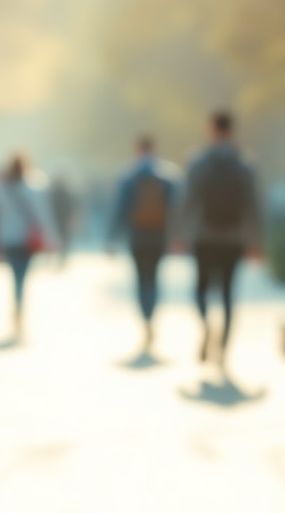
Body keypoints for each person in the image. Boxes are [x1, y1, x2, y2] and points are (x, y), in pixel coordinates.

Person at [181, 111, 260, 367]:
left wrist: (180, 234)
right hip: (233, 239)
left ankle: (206, 326)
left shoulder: (199, 162)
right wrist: (256, 241)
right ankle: (223, 348)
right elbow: (252, 205)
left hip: (204, 237)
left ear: (211, 130)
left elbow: (188, 201)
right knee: (228, 293)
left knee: (200, 290)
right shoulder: (244, 163)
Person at [110, 136, 181, 352]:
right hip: (159, 236)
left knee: (141, 278)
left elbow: (120, 210)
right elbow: (176, 209)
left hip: (138, 236)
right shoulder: (168, 176)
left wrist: (112, 238)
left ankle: (145, 321)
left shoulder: (129, 176)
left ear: (137, 150)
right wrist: (177, 236)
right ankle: (153, 316)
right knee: (155, 277)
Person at [0, 151, 60, 338]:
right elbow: (43, 215)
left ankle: (17, 310)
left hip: (8, 239)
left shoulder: (1, 188)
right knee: (21, 278)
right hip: (25, 240)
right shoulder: (32, 187)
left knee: (15, 277)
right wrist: (52, 239)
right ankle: (19, 311)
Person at [49, 173, 77, 259]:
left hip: (63, 220)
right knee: (57, 239)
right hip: (56, 221)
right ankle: (57, 256)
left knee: (64, 239)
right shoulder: (52, 194)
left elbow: (72, 208)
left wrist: (72, 219)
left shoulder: (67, 194)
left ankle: (62, 257)